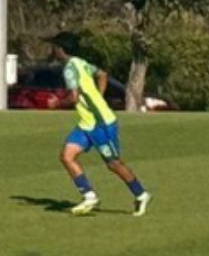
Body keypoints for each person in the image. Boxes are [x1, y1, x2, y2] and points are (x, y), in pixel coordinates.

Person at [49, 33, 150, 217]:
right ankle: (89, 196)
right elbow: (102, 74)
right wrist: (98, 95)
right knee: (67, 155)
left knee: (113, 164)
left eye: (55, 47)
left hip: (102, 123)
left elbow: (73, 97)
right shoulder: (81, 63)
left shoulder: (71, 69)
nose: (53, 50)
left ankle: (141, 194)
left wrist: (57, 103)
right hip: (87, 123)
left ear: (61, 49)